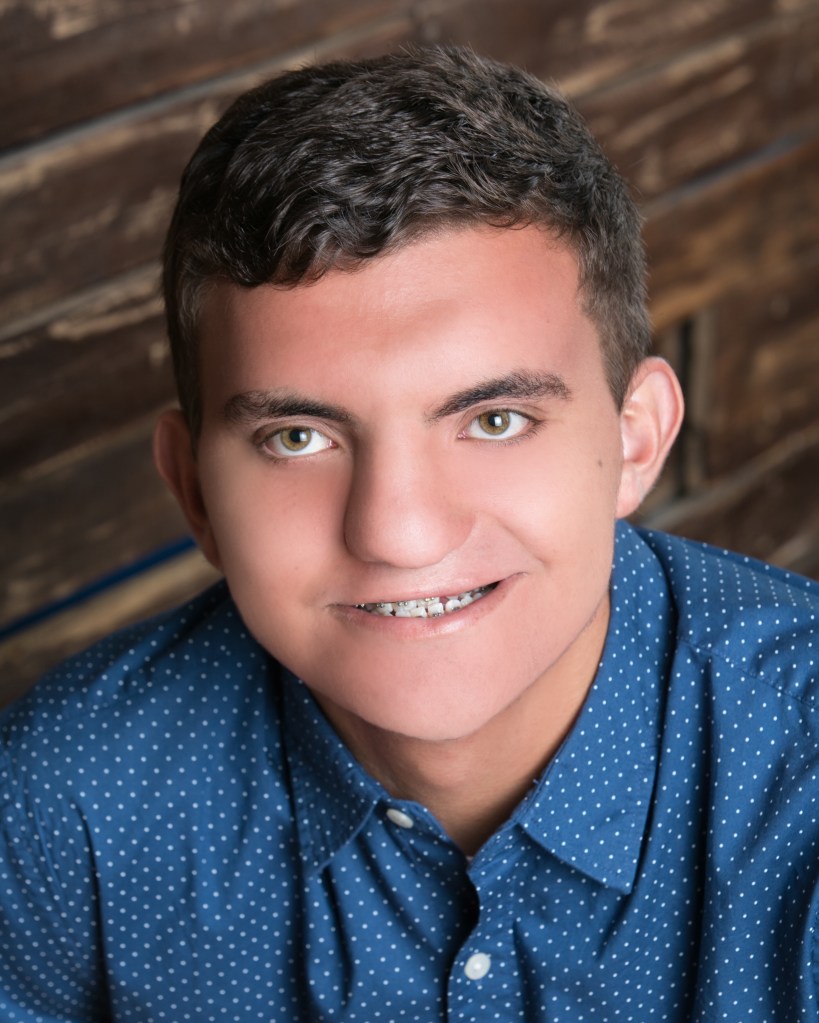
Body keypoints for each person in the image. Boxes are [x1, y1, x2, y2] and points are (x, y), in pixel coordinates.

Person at [1, 45, 818, 1023]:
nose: (398, 531)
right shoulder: (65, 804)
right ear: (195, 492)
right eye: (298, 437)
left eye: (495, 419)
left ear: (634, 439)